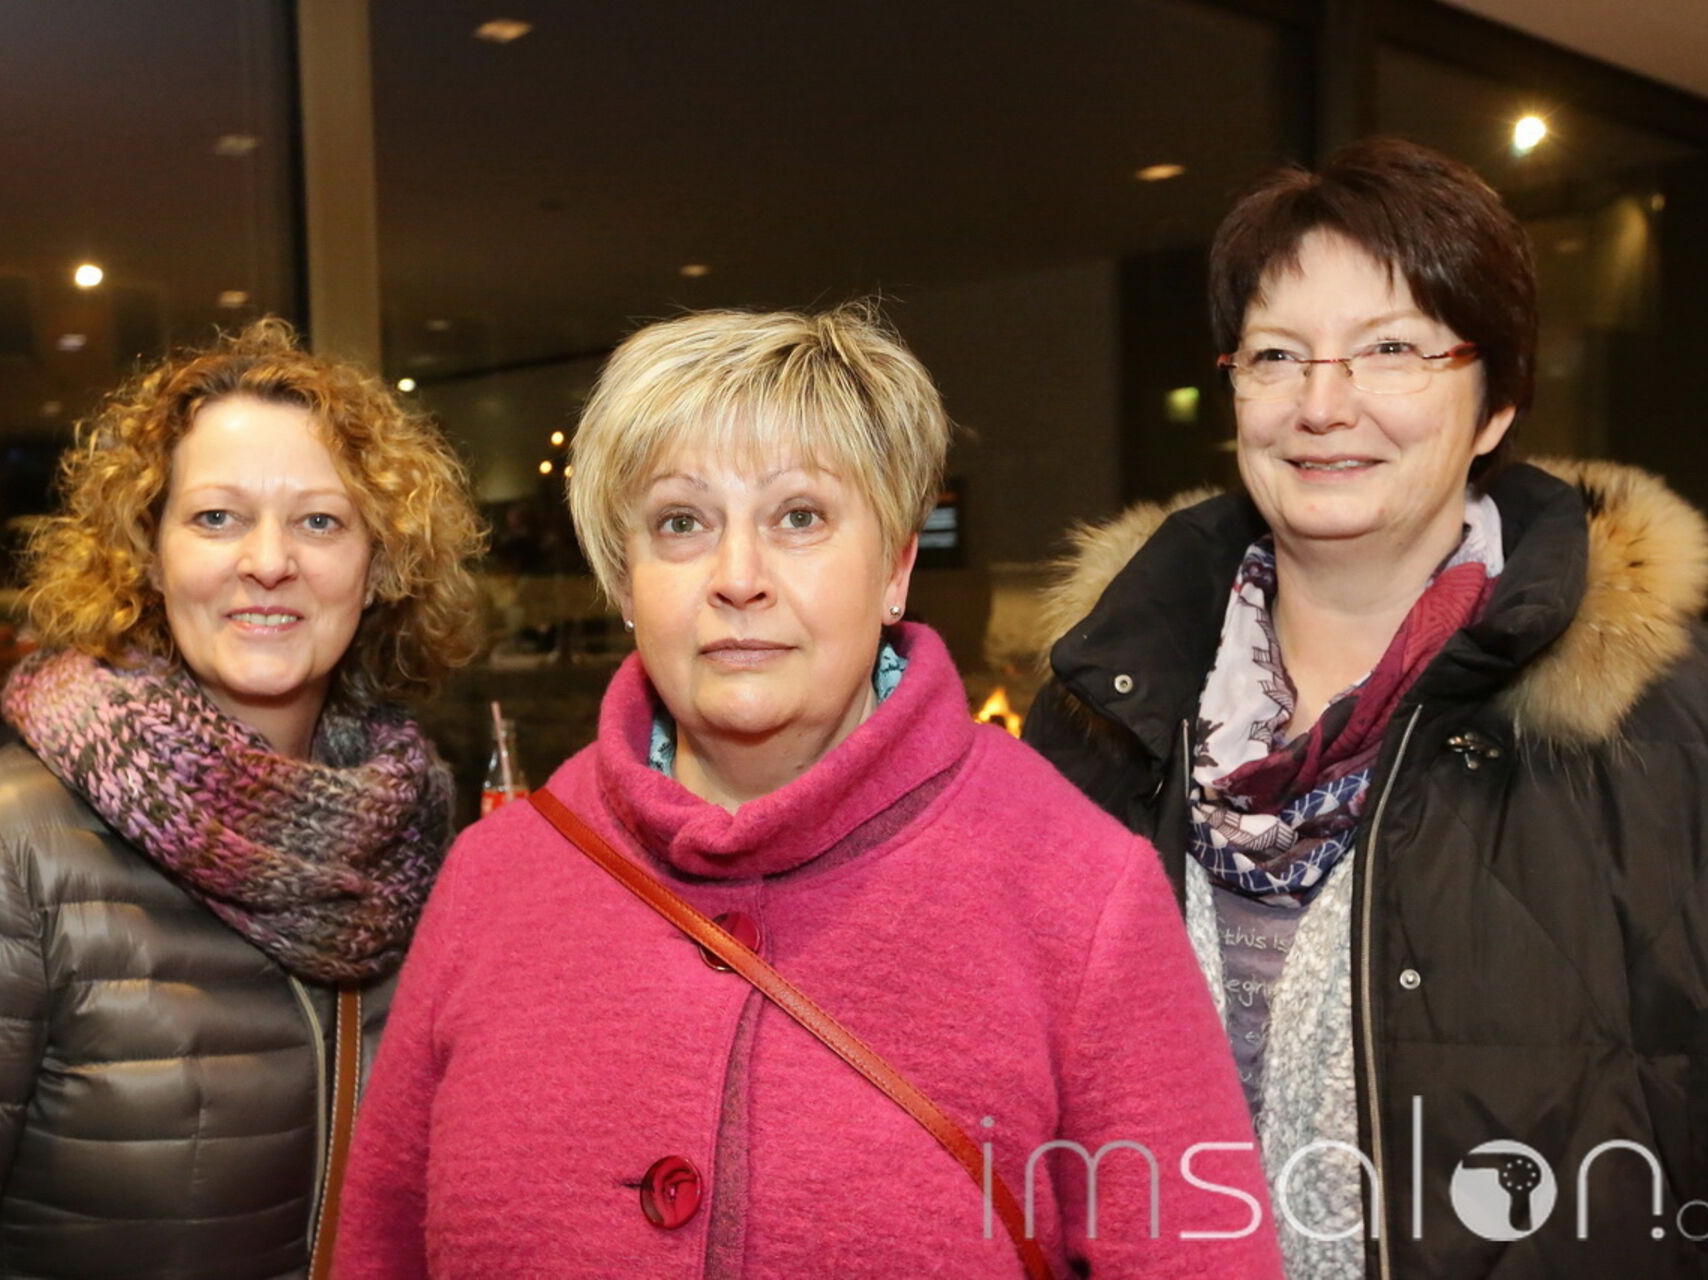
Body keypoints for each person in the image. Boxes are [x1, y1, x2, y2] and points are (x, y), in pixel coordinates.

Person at [334, 304, 1283, 1277]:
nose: (738, 577)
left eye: (800, 517)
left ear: (896, 565)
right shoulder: (493, 880)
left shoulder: (1078, 887)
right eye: (682, 522)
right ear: (625, 581)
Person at [1025, 136, 1708, 1278]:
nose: (1323, 405)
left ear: (1495, 402)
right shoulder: (1102, 710)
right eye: (1277, 355)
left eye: (1391, 349)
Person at [0, 319, 484, 1278]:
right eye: (216, 518)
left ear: (380, 567)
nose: (268, 561)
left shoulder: (415, 844)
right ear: (146, 554)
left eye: (320, 521)